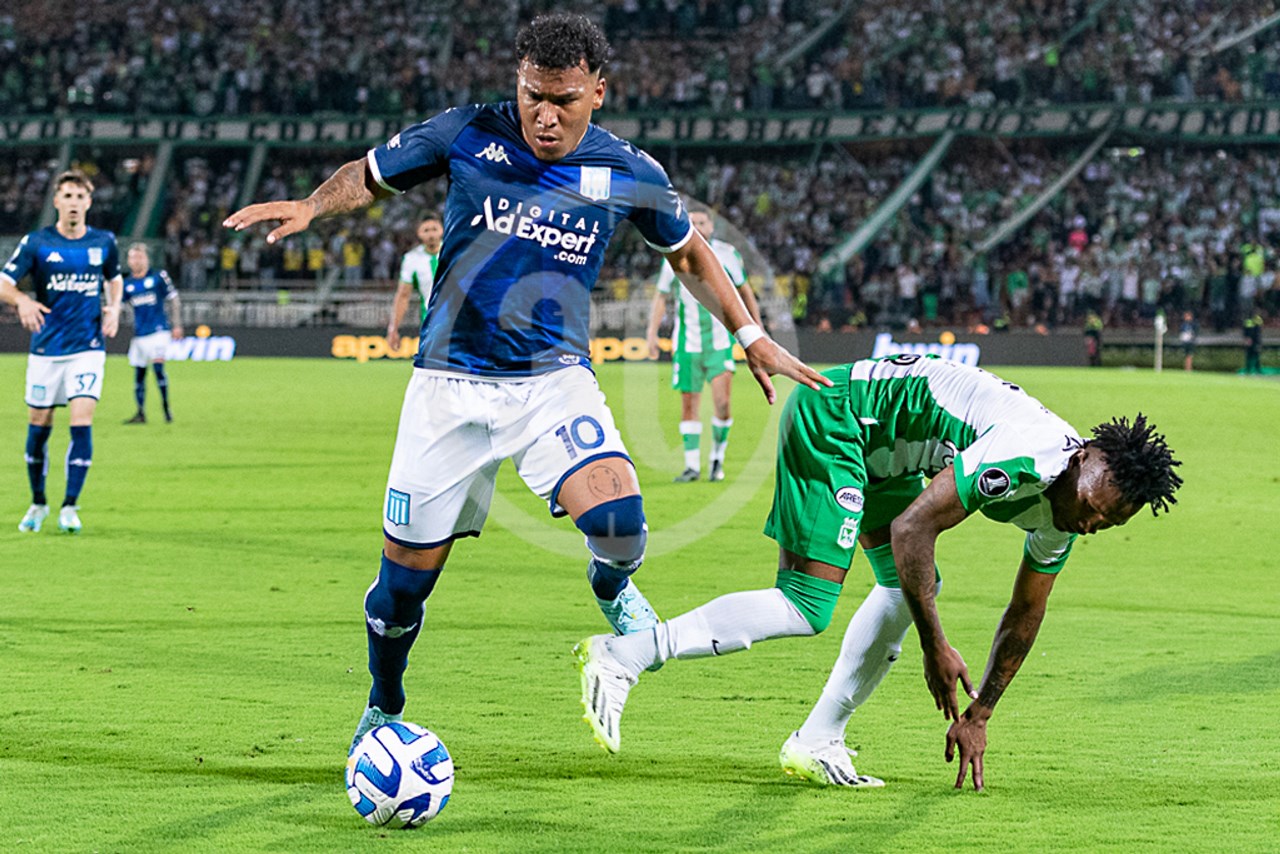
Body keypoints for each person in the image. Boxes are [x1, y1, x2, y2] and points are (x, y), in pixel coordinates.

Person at [223, 13, 828, 753]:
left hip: (551, 383)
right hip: (446, 388)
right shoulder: (466, 132)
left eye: (563, 99)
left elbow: (690, 253)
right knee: (400, 592)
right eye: (533, 95)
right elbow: (370, 175)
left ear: (597, 92)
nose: (544, 115)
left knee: (621, 525)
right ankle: (385, 703)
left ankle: (611, 585)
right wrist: (314, 204)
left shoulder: (628, 171)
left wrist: (751, 334)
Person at [575, 354, 1181, 791]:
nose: (1089, 524)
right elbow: (913, 529)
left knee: (910, 587)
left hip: (886, 455)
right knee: (807, 604)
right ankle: (626, 654)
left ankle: (817, 741)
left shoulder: (1067, 513)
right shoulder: (1027, 452)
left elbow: (1027, 610)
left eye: (1108, 524)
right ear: (1082, 459)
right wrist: (935, 645)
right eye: (1092, 507)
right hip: (837, 416)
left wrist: (981, 713)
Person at [0, 170, 123, 534]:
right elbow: (3, 283)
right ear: (56, 201)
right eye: (67, 196)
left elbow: (114, 278)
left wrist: (114, 308)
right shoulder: (37, 242)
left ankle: (70, 506)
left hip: (87, 348)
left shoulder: (104, 242)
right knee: (39, 426)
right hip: (46, 349)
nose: (73, 203)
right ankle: (38, 502)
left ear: (89, 202)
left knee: (81, 421)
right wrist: (22, 300)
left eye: (79, 197)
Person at [645, 203, 759, 482]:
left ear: (711, 226)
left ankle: (717, 459)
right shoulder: (672, 255)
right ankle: (692, 467)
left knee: (722, 403)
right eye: (692, 222)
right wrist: (651, 333)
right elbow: (661, 296)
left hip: (720, 342)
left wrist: (757, 328)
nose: (697, 227)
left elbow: (745, 291)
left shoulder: (727, 254)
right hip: (687, 343)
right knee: (689, 405)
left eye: (702, 223)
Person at [122, 243, 183, 423]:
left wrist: (177, 325)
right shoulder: (127, 284)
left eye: (139, 257)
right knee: (139, 373)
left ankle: (166, 410)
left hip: (159, 332)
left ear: (147, 259)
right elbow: (119, 305)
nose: (136, 261)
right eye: (133, 257)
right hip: (139, 334)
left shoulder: (158, 277)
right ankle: (140, 412)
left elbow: (174, 299)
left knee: (158, 369)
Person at [386, 213, 443, 351]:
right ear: (419, 233)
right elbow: (403, 295)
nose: (431, 235)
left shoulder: (455, 252)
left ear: (442, 230)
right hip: (431, 324)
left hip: (460, 321)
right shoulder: (412, 259)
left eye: (434, 229)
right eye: (426, 230)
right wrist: (393, 328)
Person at [1243, 307, 1263, 374]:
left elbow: (1258, 331)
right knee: (1250, 355)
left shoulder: (1258, 319)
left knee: (1255, 355)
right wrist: (1247, 338)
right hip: (1252, 340)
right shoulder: (1249, 320)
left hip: (1255, 340)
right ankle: (1249, 369)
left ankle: (1256, 369)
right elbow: (1247, 331)